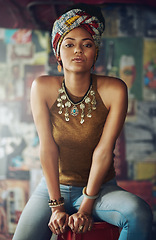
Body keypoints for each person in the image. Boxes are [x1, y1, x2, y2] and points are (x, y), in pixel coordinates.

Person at [12, 3, 153, 240]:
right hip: (52, 188)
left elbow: (104, 150)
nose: (78, 50)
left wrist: (86, 207)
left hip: (100, 190)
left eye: (87, 44)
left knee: (139, 212)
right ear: (58, 52)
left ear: (95, 53)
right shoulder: (42, 88)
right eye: (69, 44)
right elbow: (47, 147)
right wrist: (56, 206)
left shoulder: (114, 90)